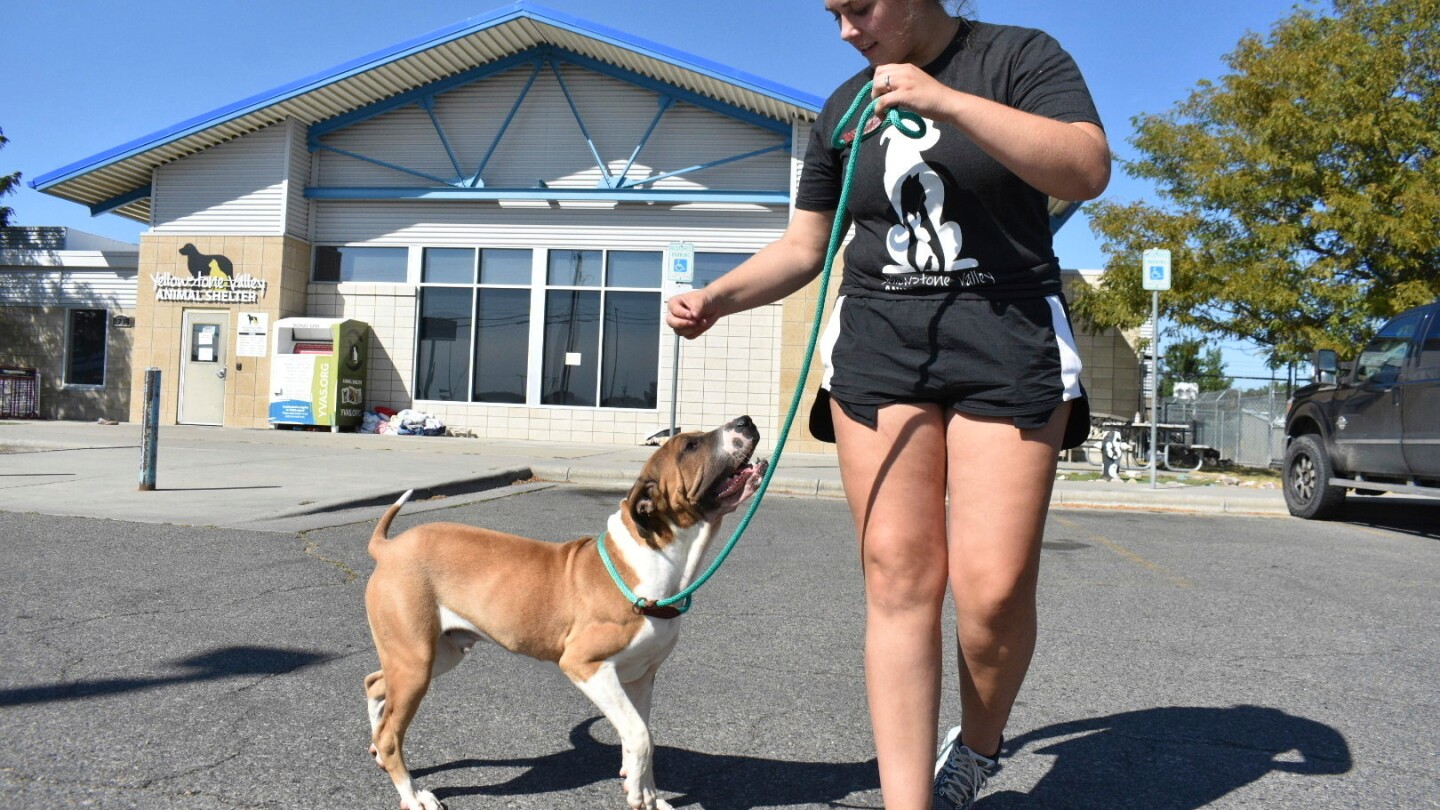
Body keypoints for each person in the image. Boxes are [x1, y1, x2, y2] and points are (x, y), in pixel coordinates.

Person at [666, 1, 1109, 808]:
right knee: (898, 578)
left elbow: (1084, 168)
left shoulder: (1018, 58)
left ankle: (976, 747)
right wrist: (718, 298)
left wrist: (944, 101)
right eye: (832, 13)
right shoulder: (845, 108)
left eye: (859, 7)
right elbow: (806, 246)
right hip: (881, 350)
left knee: (994, 590)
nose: (846, 30)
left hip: (1006, 342)